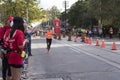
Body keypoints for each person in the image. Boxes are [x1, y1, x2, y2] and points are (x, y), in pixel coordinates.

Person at [0, 16, 13, 80]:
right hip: (4, 52)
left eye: (12, 21)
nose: (11, 22)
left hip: (11, 53)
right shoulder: (3, 29)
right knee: (4, 67)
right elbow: (0, 42)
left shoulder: (14, 30)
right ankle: (4, 78)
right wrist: (1, 52)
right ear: (7, 21)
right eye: (10, 21)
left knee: (10, 67)